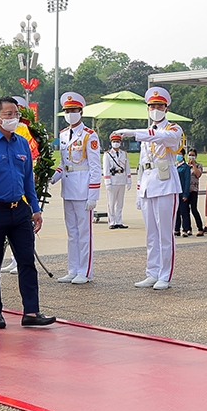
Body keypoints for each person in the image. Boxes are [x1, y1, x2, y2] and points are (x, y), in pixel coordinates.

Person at [0, 97, 56, 328]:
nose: (13, 118)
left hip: (20, 210)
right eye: (8, 114)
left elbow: (28, 179)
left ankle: (31, 311)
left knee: (27, 261)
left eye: (15, 114)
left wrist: (35, 209)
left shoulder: (21, 143)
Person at [111, 88, 183, 289]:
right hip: (149, 185)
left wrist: (134, 133)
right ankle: (152, 272)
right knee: (151, 233)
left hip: (166, 185)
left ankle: (165, 275)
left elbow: (163, 138)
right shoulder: (147, 132)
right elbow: (143, 164)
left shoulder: (173, 129)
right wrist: (139, 190)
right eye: (151, 106)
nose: (155, 109)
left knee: (165, 234)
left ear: (166, 108)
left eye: (159, 106)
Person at [51, 92, 102, 285]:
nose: (70, 113)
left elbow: (95, 166)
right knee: (72, 232)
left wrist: (93, 194)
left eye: (73, 110)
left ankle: (85, 271)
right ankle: (73, 269)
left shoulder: (90, 135)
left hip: (83, 188)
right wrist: (52, 178)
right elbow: (63, 163)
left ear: (81, 111)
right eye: (67, 110)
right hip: (68, 188)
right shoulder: (63, 134)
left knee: (84, 232)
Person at [103, 134, 130, 229]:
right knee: (111, 203)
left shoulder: (124, 154)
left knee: (120, 203)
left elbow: (127, 168)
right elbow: (106, 169)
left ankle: (119, 221)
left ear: (120, 143)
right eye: (114, 142)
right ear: (111, 143)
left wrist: (129, 180)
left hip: (121, 180)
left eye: (117, 142)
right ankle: (112, 222)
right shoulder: (108, 154)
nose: (116, 143)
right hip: (112, 180)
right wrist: (107, 182)